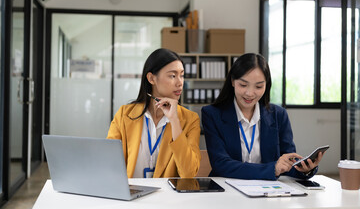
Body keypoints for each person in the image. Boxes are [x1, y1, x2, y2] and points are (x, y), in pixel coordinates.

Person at [202, 53, 324, 180]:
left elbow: (287, 165)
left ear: (266, 85)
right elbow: (221, 165)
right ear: (232, 81)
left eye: (259, 86)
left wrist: (305, 169)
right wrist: (272, 169)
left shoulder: (279, 115)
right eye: (243, 85)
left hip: (267, 193)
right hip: (227, 190)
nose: (249, 93)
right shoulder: (212, 114)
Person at [107, 48, 201, 178]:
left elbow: (189, 173)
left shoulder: (190, 119)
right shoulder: (124, 115)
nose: (180, 83)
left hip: (167, 197)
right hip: (131, 194)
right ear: (151, 78)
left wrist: (174, 121)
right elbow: (109, 163)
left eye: (182, 75)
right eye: (173, 76)